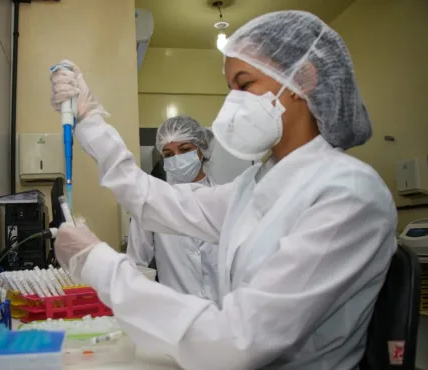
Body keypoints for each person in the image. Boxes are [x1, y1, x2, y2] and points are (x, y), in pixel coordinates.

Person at [49, 10, 397, 370]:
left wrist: (97, 263)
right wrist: (90, 121)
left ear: (303, 79)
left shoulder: (347, 194)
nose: (234, 103)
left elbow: (237, 341)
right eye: (230, 89)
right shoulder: (258, 184)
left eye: (245, 85)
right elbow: (155, 199)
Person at [127, 116, 219, 302]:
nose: (177, 158)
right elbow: (135, 265)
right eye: (168, 154)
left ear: (201, 150)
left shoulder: (223, 199)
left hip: (223, 314)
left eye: (184, 150)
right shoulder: (152, 203)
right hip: (176, 313)